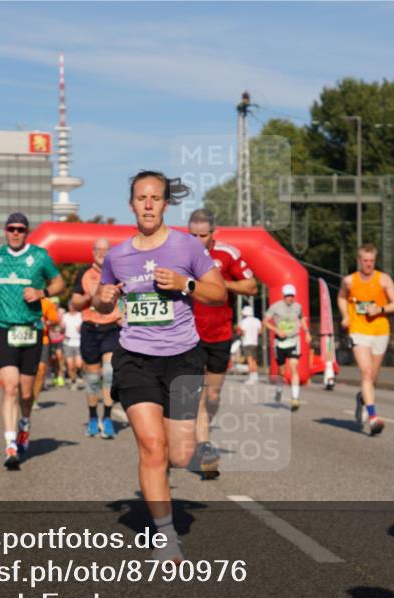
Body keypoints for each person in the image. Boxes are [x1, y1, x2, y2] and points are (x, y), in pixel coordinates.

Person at [94, 170, 225, 561]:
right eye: (141, 197)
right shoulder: (118, 256)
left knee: (181, 456)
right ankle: (166, 536)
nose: (148, 204)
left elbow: (218, 294)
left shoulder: (186, 248)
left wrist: (185, 285)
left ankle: (163, 490)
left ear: (166, 204)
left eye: (155, 197)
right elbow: (103, 303)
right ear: (131, 203)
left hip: (183, 358)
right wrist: (103, 298)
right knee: (152, 448)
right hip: (135, 358)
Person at [0, 212, 65, 470]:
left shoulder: (39, 256)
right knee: (9, 388)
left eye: (20, 229)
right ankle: (10, 444)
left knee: (26, 393)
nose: (15, 233)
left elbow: (59, 282)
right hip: (5, 328)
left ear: (27, 232)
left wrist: (42, 292)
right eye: (11, 228)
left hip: (31, 330)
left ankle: (24, 424)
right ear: (5, 230)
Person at [187, 208, 257, 479]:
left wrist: (219, 283)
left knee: (213, 396)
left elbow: (251, 287)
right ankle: (203, 446)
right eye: (192, 234)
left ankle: (200, 437)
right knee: (199, 394)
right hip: (189, 335)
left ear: (213, 234)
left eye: (202, 235)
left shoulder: (228, 254)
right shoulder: (180, 253)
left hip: (220, 334)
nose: (197, 240)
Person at [337, 243, 394, 435]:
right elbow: (341, 298)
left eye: (372, 261)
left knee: (372, 378)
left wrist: (380, 309)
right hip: (358, 330)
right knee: (366, 372)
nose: (368, 264)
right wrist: (345, 316)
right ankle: (373, 418)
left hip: (380, 331)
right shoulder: (349, 281)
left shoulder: (383, 280)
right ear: (359, 261)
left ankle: (362, 399)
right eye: (365, 261)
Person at [70, 237, 123, 439]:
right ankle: (93, 418)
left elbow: (128, 296)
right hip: (91, 328)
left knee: (110, 373)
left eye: (106, 250)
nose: (102, 253)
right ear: (93, 252)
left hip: (112, 327)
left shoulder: (117, 272)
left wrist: (123, 316)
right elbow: (74, 302)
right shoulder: (84, 273)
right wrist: (90, 296)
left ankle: (108, 418)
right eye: (98, 250)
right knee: (92, 378)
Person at [264, 284, 311, 411]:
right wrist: (276, 330)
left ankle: (295, 398)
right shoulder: (276, 307)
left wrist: (307, 332)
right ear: (284, 296)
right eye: (288, 296)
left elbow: (302, 319)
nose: (290, 298)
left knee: (294, 367)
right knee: (282, 370)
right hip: (280, 342)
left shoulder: (298, 307)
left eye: (292, 296)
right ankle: (279, 390)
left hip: (293, 340)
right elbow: (265, 321)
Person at [31, 295, 62, 408]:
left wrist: (47, 323)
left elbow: (54, 320)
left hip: (42, 339)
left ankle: (33, 399)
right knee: (26, 371)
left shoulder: (46, 302)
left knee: (42, 368)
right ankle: (25, 395)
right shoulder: (20, 300)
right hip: (24, 338)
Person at [238, 305, 262, 385]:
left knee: (249, 361)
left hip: (247, 342)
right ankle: (256, 377)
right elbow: (260, 332)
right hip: (255, 342)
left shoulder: (243, 322)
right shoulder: (257, 320)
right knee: (254, 361)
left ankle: (251, 378)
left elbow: (243, 333)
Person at [62, 306, 84, 388]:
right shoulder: (65, 316)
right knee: (70, 365)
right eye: (70, 305)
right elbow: (61, 328)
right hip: (68, 342)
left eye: (73, 304)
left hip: (78, 342)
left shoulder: (80, 315)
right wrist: (61, 328)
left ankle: (78, 374)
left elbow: (85, 327)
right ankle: (73, 381)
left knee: (79, 364)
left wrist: (81, 329)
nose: (71, 307)